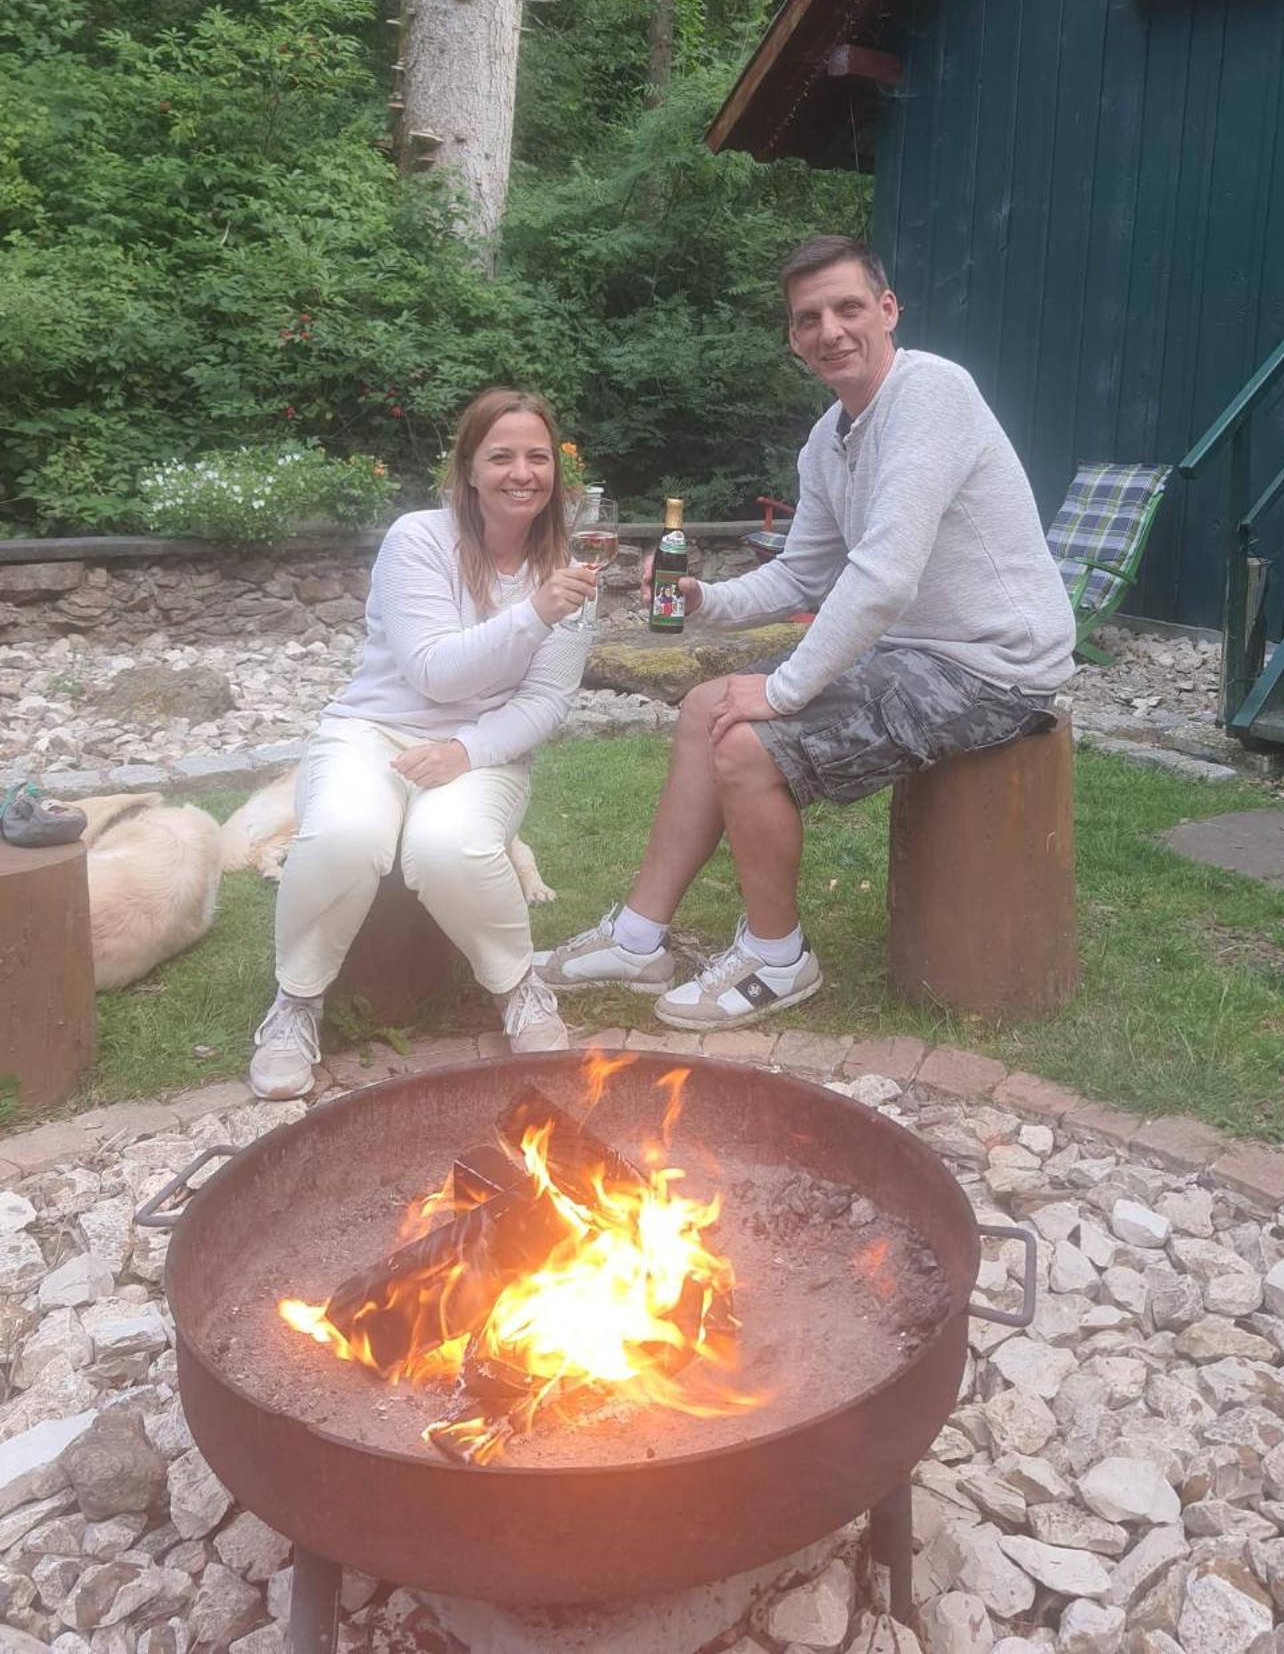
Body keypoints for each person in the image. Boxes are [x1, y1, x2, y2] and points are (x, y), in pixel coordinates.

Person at [537, 234, 1076, 1031]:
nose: (831, 330)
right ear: (793, 338)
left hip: (995, 668)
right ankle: (638, 937)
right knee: (701, 710)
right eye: (808, 318)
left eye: (848, 307)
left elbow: (884, 576)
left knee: (748, 742)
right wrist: (702, 602)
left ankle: (779, 956)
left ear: (888, 311)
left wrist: (786, 689)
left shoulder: (932, 394)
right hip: (916, 652)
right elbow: (803, 575)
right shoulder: (828, 440)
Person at [249, 388, 596, 1100]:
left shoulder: (569, 568)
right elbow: (433, 671)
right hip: (370, 731)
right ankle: (296, 1004)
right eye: (501, 456)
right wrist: (534, 612)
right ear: (468, 469)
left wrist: (466, 753)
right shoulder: (418, 538)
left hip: (481, 748)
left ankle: (519, 987)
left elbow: (546, 699)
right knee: (345, 832)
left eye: (538, 457)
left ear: (556, 473)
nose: (522, 472)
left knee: (447, 846)